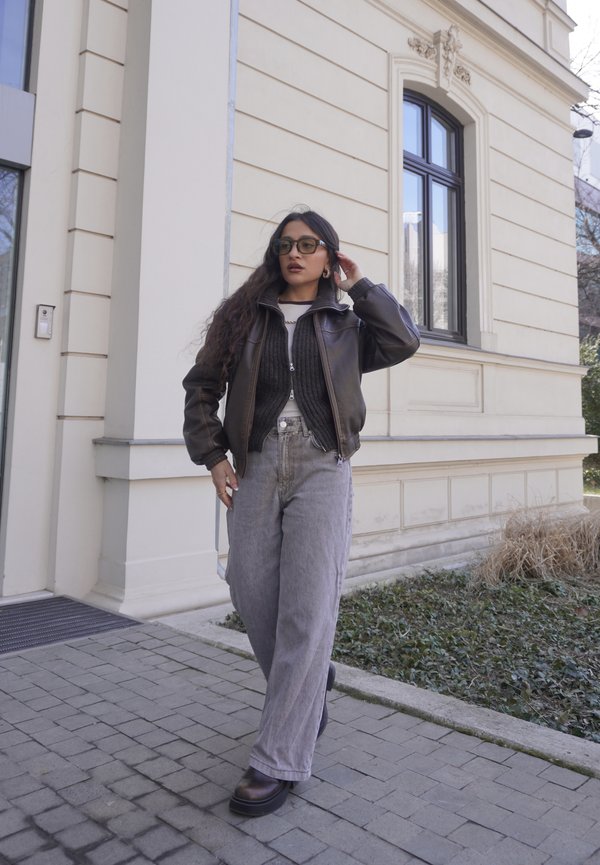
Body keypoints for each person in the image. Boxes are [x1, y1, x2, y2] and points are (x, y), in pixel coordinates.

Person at [182, 209, 420, 817]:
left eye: (309, 244)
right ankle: (310, 689)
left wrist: (361, 286)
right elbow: (202, 385)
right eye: (286, 244)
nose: (295, 253)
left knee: (308, 608)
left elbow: (404, 340)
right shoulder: (244, 315)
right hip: (256, 462)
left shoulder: (345, 320)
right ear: (275, 253)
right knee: (250, 588)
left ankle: (278, 759)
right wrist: (213, 456)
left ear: (327, 256)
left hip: (322, 463)